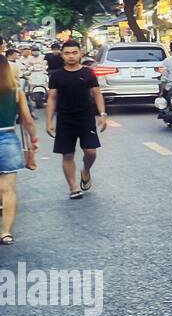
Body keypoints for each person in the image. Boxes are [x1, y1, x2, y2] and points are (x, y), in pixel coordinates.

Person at [46, 41, 107, 200]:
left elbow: (97, 93)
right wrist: (49, 121)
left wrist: (102, 114)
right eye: (67, 53)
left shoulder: (88, 73)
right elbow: (52, 98)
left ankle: (85, 170)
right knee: (67, 154)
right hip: (65, 119)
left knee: (90, 152)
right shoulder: (56, 76)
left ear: (81, 53)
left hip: (85, 117)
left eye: (74, 52)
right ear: (62, 55)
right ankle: (73, 188)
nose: (71, 56)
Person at [0, 53, 40, 243]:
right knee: (8, 189)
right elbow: (27, 119)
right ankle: (6, 232)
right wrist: (34, 139)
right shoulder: (16, 91)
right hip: (7, 139)